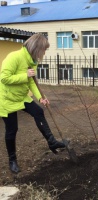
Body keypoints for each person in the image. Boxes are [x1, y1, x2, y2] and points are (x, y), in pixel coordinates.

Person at [0, 33, 65, 174]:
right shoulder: (14, 57)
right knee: (12, 130)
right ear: (36, 48)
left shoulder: (32, 61)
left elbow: (32, 82)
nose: (44, 53)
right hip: (7, 99)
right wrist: (25, 75)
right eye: (44, 50)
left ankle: (51, 141)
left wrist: (41, 97)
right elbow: (4, 78)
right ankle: (12, 160)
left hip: (22, 97)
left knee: (38, 111)